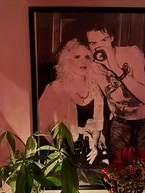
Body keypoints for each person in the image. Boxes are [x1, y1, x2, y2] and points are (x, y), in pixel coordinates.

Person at [81, 16, 145, 161]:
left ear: (112, 38)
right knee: (116, 172)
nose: (99, 47)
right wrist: (97, 133)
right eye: (93, 43)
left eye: (104, 40)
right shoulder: (93, 67)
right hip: (119, 123)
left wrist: (114, 67)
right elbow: (99, 101)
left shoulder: (132, 53)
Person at [38, 38, 106, 168]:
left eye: (87, 57)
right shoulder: (54, 88)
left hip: (88, 156)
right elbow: (42, 126)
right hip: (60, 157)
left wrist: (95, 145)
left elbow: (98, 125)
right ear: (67, 60)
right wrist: (56, 151)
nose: (83, 61)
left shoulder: (95, 90)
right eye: (77, 56)